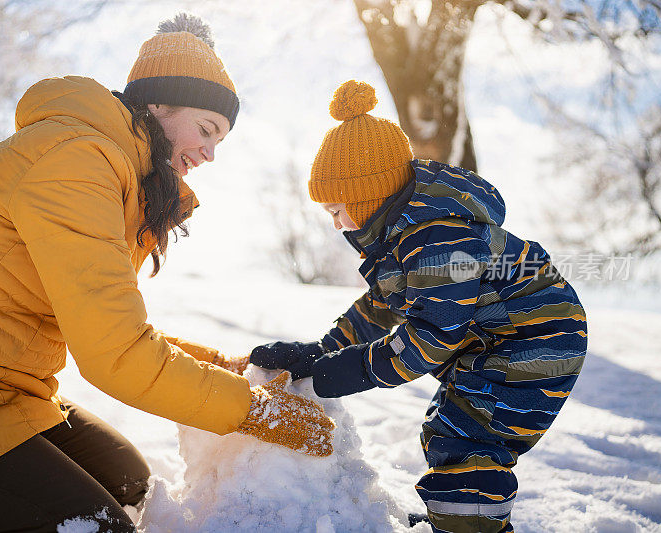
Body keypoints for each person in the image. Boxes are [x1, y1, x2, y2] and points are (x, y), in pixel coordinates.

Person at [0, 14, 333, 532]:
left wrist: (226, 365)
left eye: (218, 141)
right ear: (158, 105)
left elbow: (110, 323)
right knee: (96, 527)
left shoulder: (114, 173)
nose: (208, 154)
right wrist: (256, 411)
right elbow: (116, 354)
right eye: (206, 130)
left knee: (132, 487)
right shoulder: (75, 162)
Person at [245, 80, 588, 533]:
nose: (335, 225)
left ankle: (469, 526)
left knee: (466, 436)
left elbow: (429, 338)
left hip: (535, 339)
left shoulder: (436, 240)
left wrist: (340, 372)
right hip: (500, 338)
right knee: (450, 427)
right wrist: (320, 352)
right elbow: (379, 308)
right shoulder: (403, 238)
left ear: (369, 197)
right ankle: (458, 519)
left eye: (336, 210)